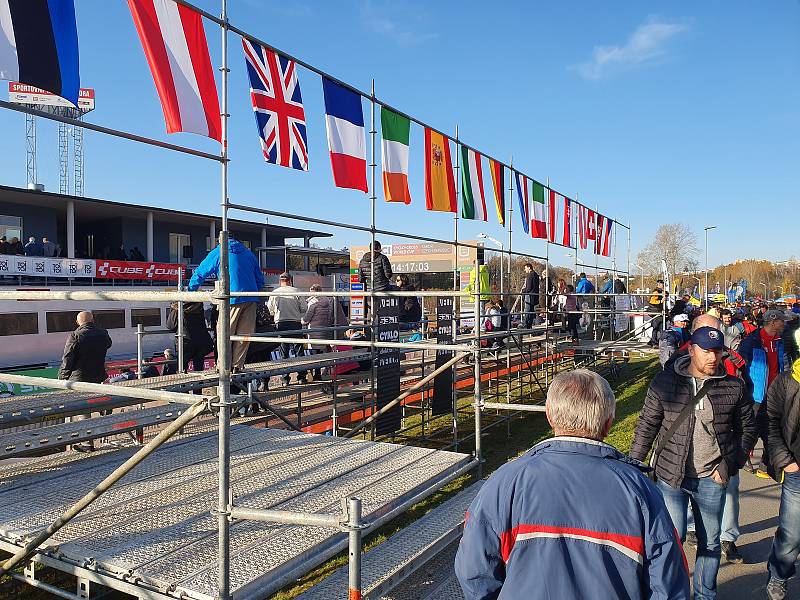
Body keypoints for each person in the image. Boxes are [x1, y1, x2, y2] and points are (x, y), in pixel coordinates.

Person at [456, 369, 690, 599]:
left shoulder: (505, 483)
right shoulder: (640, 491)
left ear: (549, 415)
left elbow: (474, 572)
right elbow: (669, 584)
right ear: (609, 423)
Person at [630, 326, 757, 599]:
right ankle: (669, 594)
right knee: (670, 542)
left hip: (712, 478)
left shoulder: (733, 386)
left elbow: (748, 429)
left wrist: (729, 465)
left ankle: (704, 595)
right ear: (691, 350)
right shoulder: (665, 382)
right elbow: (647, 425)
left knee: (710, 543)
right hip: (670, 477)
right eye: (707, 351)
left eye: (718, 351)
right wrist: (634, 466)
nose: (713, 357)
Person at [188, 237, 265, 372]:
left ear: (220, 242)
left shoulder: (219, 252)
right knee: (244, 335)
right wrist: (254, 292)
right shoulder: (248, 253)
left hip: (230, 298)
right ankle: (237, 366)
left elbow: (201, 272)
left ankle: (223, 366)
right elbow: (260, 279)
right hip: (251, 298)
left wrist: (190, 291)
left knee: (224, 333)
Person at [761, 357, 800, 599]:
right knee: (792, 533)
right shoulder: (787, 381)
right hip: (797, 469)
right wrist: (786, 460)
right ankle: (778, 574)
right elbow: (767, 420)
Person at [58, 311, 113, 453]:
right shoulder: (103, 333)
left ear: (78, 322)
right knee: (94, 401)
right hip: (97, 376)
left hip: (79, 379)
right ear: (92, 320)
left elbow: (67, 359)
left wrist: (62, 377)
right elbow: (108, 344)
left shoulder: (75, 336)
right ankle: (103, 407)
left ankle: (88, 444)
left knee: (84, 411)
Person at [267, 272, 309, 385]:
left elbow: (270, 310)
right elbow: (304, 308)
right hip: (295, 323)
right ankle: (301, 377)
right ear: (290, 280)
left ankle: (285, 379)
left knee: (283, 352)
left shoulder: (275, 293)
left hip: (280, 324)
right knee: (299, 351)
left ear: (280, 281)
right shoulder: (297, 291)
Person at [302, 284, 345, 380]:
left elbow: (307, 318)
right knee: (324, 355)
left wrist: (301, 321)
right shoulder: (329, 302)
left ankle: (316, 374)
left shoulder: (313, 303)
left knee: (314, 355)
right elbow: (330, 317)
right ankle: (323, 373)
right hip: (325, 331)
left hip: (314, 332)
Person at [166, 301, 214, 373]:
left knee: (181, 368)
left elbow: (171, 326)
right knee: (199, 365)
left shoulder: (177, 307)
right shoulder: (199, 305)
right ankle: (199, 379)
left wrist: (173, 309)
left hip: (186, 342)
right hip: (202, 341)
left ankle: (183, 380)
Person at [520, 263, 540, 328]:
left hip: (529, 295)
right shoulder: (536, 275)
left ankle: (524, 324)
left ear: (529, 268)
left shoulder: (529, 275)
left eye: (525, 268)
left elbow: (528, 288)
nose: (524, 270)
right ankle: (529, 324)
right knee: (531, 311)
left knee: (527, 310)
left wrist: (523, 290)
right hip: (534, 296)